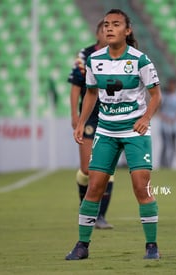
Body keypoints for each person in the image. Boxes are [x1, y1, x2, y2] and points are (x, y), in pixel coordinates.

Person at [65, 9, 162, 260]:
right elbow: (91, 94)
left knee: (141, 187)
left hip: (134, 131)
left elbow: (156, 95)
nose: (109, 28)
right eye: (106, 24)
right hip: (106, 130)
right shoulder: (94, 60)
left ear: (127, 31)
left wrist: (145, 118)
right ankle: (82, 245)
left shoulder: (141, 60)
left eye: (116, 24)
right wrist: (81, 122)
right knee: (94, 186)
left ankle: (151, 245)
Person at [68, 20, 114, 229]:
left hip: (112, 116)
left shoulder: (122, 56)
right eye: (105, 29)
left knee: (106, 170)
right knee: (87, 169)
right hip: (90, 116)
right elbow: (76, 86)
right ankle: (85, 206)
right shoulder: (86, 55)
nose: (109, 32)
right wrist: (75, 116)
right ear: (98, 33)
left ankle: (100, 216)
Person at [158, 78, 176, 169]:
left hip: (174, 125)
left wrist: (174, 118)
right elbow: (159, 109)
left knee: (173, 145)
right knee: (165, 145)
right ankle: (163, 164)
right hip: (165, 125)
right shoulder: (164, 96)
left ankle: (171, 163)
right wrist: (165, 118)